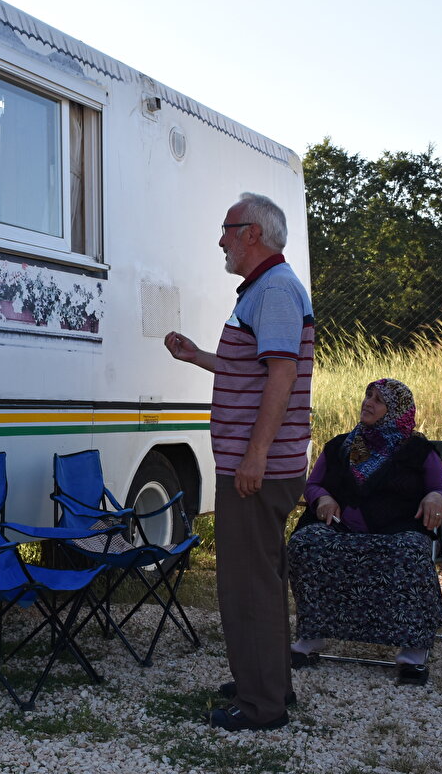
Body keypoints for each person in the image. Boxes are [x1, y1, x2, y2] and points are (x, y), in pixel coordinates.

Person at [164, 192, 313, 731]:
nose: (221, 240)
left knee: (248, 586)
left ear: (253, 234)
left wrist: (255, 455)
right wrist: (197, 356)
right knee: (261, 580)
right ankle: (268, 681)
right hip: (261, 466)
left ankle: (261, 705)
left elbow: (282, 375)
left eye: (227, 230)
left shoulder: (273, 290)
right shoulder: (265, 288)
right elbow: (253, 368)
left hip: (257, 471)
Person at [287, 378, 442, 686]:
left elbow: (441, 491)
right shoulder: (340, 446)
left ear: (396, 411)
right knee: (306, 543)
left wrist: (434, 497)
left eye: (378, 400)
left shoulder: (418, 451)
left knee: (410, 551)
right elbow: (313, 484)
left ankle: (413, 652)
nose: (368, 402)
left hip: (395, 530)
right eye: (368, 395)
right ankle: (312, 636)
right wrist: (322, 498)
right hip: (341, 529)